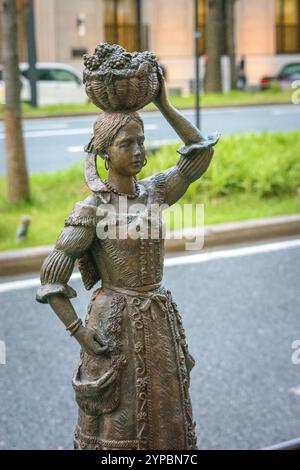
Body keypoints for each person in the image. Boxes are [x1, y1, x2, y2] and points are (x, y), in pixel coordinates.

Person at [36, 78, 219, 450]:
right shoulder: (92, 209)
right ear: (105, 152)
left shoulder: (154, 191)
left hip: (158, 317)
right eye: (126, 144)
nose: (137, 151)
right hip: (115, 324)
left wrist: (164, 104)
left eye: (141, 141)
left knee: (166, 419)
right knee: (120, 417)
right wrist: (80, 332)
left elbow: (199, 152)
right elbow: (51, 280)